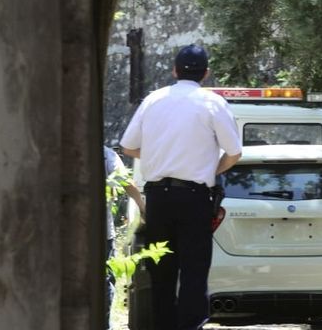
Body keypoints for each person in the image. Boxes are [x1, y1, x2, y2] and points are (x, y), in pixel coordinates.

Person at [120, 44, 242, 330]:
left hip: (158, 198)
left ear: (174, 71)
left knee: (160, 272)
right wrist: (208, 169)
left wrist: (155, 157)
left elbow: (128, 146)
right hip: (194, 197)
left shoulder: (153, 100)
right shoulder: (213, 102)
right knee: (194, 273)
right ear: (206, 73)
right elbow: (234, 153)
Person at [103, 145, 146, 330]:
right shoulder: (105, 154)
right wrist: (143, 207)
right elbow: (125, 181)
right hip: (102, 233)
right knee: (105, 280)